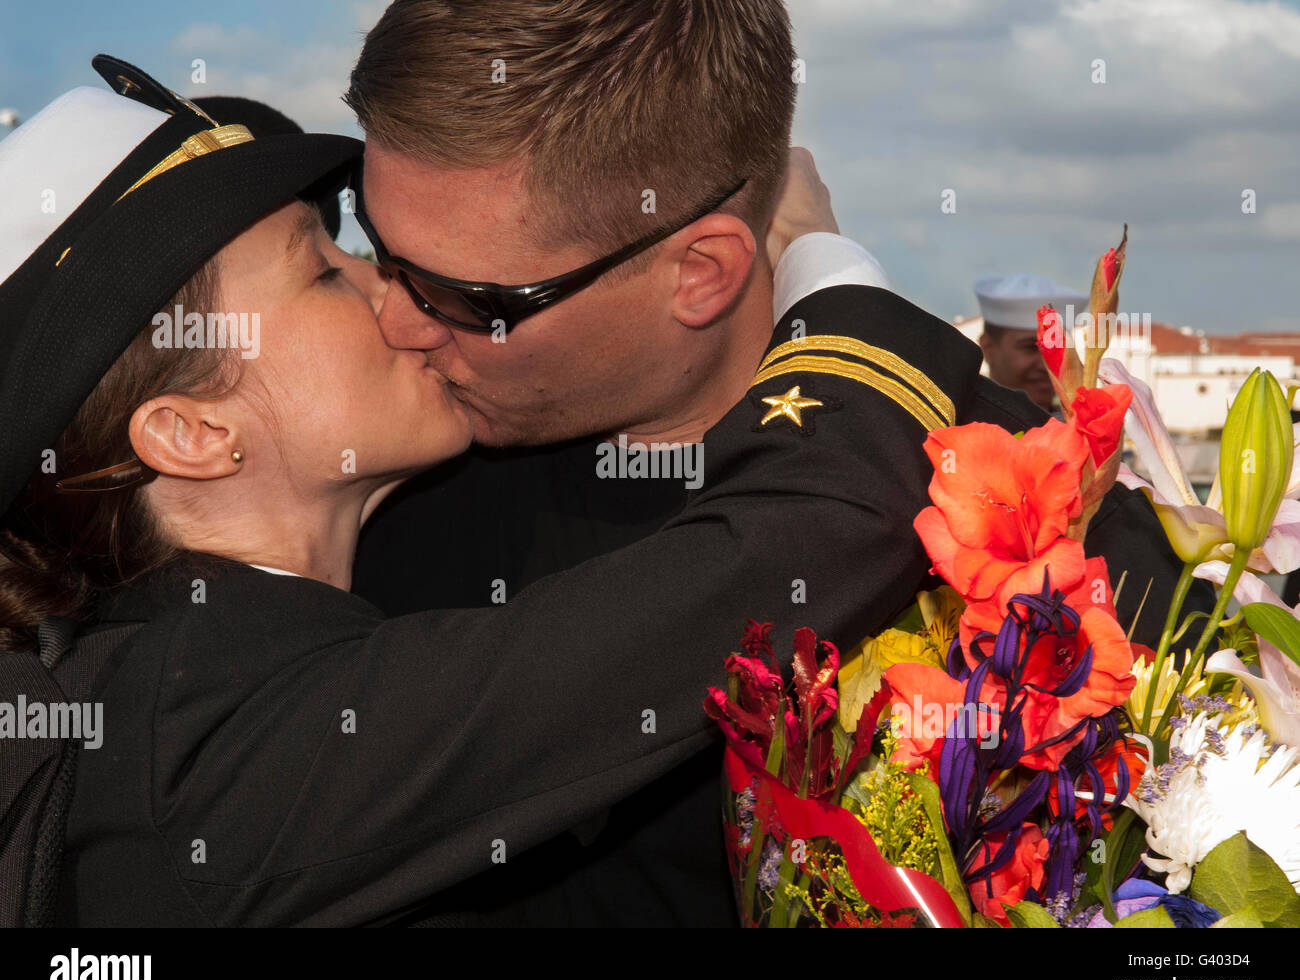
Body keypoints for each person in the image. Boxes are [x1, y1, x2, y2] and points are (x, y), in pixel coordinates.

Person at [0, 57, 983, 926]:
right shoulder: (219, 741)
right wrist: (824, 262)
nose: (393, 297)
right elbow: (812, 533)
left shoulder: (199, 672)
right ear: (192, 431)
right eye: (325, 272)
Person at [345, 1, 1212, 925]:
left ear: (701, 273)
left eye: (466, 297)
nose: (394, 322)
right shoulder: (372, 490)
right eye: (374, 244)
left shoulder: (1046, 537)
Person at [973, 273, 1089, 412]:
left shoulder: (1083, 429)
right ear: (988, 349)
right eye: (1031, 347)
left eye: (1056, 349)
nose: (1045, 365)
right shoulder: (958, 427)